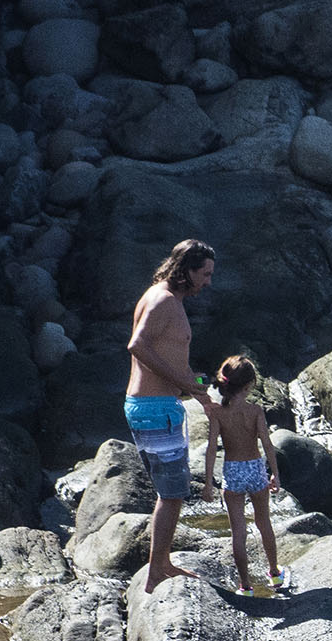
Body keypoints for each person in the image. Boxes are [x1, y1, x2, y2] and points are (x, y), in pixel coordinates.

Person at [125, 238, 215, 592]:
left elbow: (169, 357)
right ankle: (157, 569)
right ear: (186, 270)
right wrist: (184, 383)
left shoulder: (165, 297)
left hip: (157, 406)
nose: (208, 281)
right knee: (172, 492)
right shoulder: (162, 300)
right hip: (154, 409)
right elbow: (137, 344)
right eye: (204, 274)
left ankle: (160, 563)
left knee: (171, 491)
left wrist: (196, 386)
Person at [202, 355, 283, 597]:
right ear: (248, 386)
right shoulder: (255, 410)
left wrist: (208, 483)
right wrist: (275, 474)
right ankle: (275, 574)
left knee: (238, 530)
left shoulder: (217, 413)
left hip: (233, 471)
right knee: (264, 522)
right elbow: (267, 445)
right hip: (256, 468)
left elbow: (210, 449)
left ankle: (245, 586)